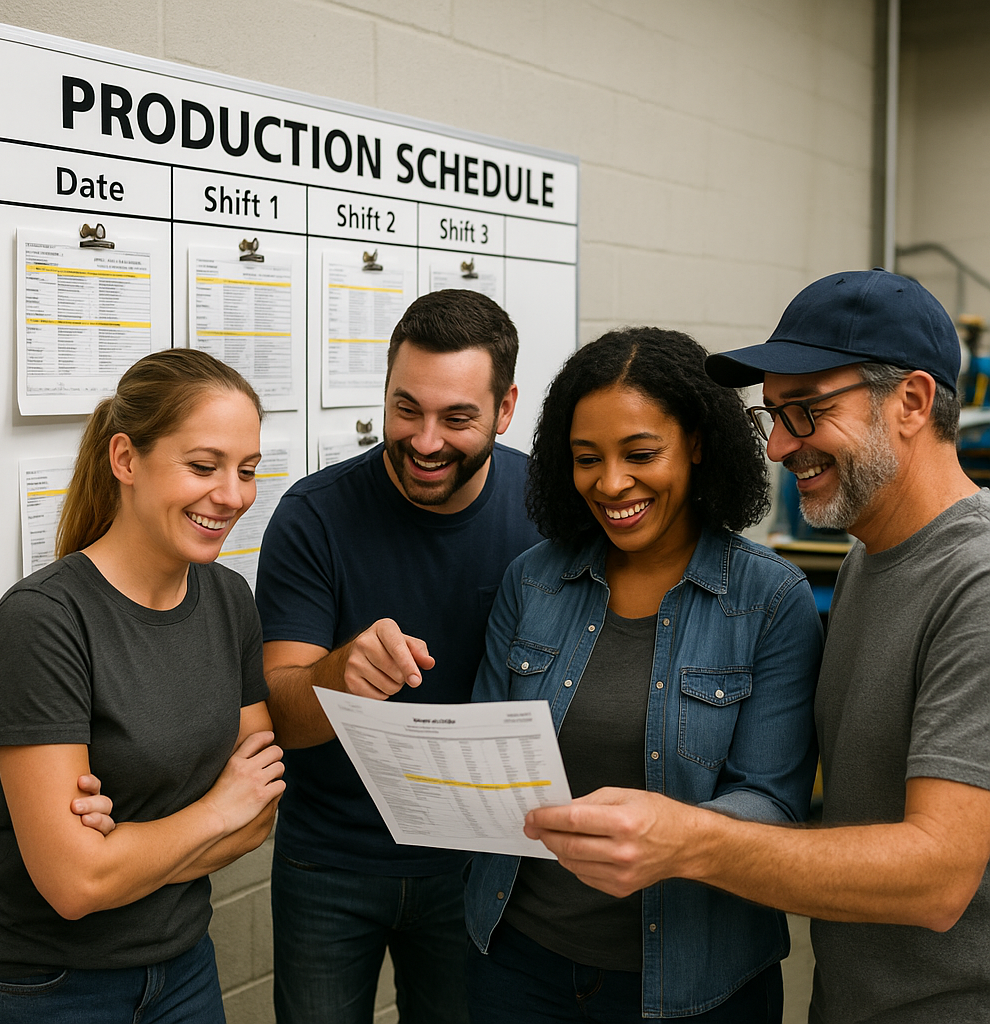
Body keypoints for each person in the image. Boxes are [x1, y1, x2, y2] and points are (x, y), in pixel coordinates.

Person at [524, 269, 990, 1024]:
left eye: (805, 412)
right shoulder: (872, 556)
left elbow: (937, 879)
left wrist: (686, 839)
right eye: (773, 414)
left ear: (911, 402)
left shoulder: (977, 584)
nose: (777, 445)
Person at [464, 327, 823, 1022]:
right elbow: (487, 754)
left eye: (640, 453)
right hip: (520, 964)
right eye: (585, 458)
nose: (611, 483)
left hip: (697, 980)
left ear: (696, 444)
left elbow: (773, 802)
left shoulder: (770, 601)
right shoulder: (533, 581)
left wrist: (670, 833)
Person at [0, 348, 286, 1023]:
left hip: (183, 970)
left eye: (247, 470)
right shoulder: (44, 622)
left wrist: (122, 852)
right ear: (126, 460)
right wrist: (212, 811)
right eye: (203, 466)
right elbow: (74, 884)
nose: (232, 495)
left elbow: (260, 813)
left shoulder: (229, 601)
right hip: (42, 984)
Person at [256, 289, 543, 1024]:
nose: (424, 440)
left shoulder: (549, 510)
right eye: (405, 408)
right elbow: (282, 718)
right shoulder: (314, 515)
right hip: (330, 861)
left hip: (479, 863)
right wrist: (336, 675)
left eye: (458, 418)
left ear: (505, 410)